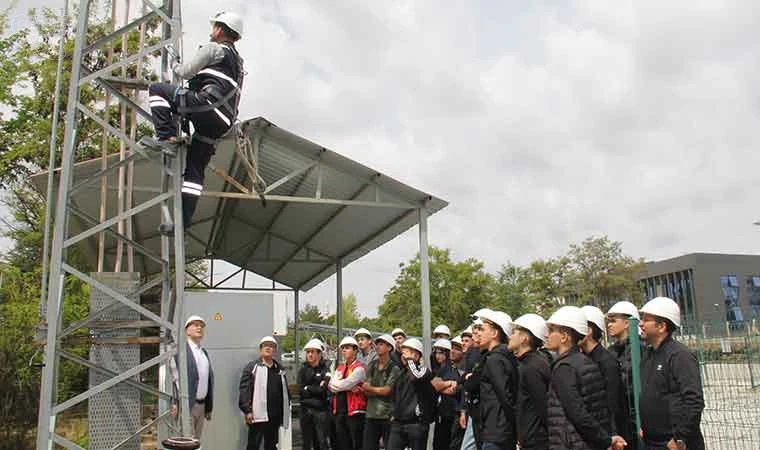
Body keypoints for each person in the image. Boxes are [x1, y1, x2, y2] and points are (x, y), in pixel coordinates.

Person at [145, 11, 245, 234]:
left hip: (207, 107)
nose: (212, 31)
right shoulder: (238, 63)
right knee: (194, 171)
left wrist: (175, 63)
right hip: (221, 122)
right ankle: (183, 220)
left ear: (220, 29)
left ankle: (166, 137)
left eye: (214, 27)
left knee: (158, 91)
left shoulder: (213, 49)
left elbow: (185, 72)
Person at [545, 306, 626, 450]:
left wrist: (605, 440)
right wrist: (606, 438)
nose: (547, 335)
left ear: (564, 337)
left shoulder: (565, 368)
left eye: (551, 331)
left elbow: (578, 413)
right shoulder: (584, 361)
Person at [639, 297, 705, 450]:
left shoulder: (679, 356)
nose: (641, 323)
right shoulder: (648, 356)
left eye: (646, 319)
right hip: (652, 441)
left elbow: (694, 401)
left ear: (661, 326)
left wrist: (680, 438)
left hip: (674, 444)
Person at [468, 310, 518, 450]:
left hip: (497, 431)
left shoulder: (495, 360)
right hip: (500, 429)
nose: (478, 333)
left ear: (495, 334)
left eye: (483, 329)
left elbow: (505, 396)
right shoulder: (503, 356)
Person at [580, 305, 625, 443]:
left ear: (588, 331)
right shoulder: (585, 358)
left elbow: (612, 403)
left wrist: (611, 436)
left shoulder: (606, 361)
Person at [238, 336, 290, 450]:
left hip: (274, 416)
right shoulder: (252, 367)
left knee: (271, 445)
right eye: (265, 345)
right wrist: (247, 410)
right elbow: (244, 390)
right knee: (253, 445)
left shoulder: (279, 370)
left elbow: (285, 393)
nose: (268, 348)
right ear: (260, 349)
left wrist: (284, 412)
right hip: (257, 416)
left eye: (271, 346)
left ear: (275, 350)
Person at [508, 313, 550, 450]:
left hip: (537, 441)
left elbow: (542, 406)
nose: (510, 336)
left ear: (524, 339)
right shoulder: (528, 363)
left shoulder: (532, 367)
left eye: (514, 332)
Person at [387, 338, 436, 450]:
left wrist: (410, 361)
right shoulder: (401, 373)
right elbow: (395, 395)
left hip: (416, 424)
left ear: (416, 355)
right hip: (399, 424)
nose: (403, 355)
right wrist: (393, 413)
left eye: (407, 352)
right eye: (403, 352)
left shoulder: (423, 370)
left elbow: (417, 378)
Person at [606, 300, 642, 448]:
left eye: (613, 321)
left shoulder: (640, 348)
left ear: (627, 323)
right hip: (621, 416)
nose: (609, 325)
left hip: (637, 416)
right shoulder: (611, 351)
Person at [361, 334, 402, 450]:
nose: (377, 346)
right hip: (371, 415)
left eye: (381, 344)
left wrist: (371, 389)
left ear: (389, 348)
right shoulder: (372, 365)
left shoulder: (394, 368)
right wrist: (375, 390)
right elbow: (366, 389)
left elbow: (387, 390)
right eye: (377, 344)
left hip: (387, 416)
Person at [329, 336, 367, 450]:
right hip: (340, 411)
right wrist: (347, 386)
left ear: (355, 350)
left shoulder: (359, 368)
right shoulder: (340, 367)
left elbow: (345, 384)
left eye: (347, 348)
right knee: (343, 444)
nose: (344, 350)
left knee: (356, 444)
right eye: (343, 348)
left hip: (355, 413)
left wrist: (342, 385)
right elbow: (331, 386)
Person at [298, 338, 331, 450]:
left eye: (312, 352)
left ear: (319, 354)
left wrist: (309, 388)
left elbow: (324, 391)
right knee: (306, 443)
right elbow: (301, 391)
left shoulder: (325, 370)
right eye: (308, 352)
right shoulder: (302, 370)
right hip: (305, 410)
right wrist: (316, 388)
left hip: (321, 411)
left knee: (321, 442)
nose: (310, 354)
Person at [184, 315, 214, 438]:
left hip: (202, 406)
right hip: (188, 405)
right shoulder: (182, 351)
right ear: (187, 330)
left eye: (201, 326)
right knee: (187, 441)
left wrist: (208, 407)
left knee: (196, 441)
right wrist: (174, 403)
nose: (199, 328)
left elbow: (208, 379)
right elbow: (174, 378)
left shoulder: (203, 352)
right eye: (195, 325)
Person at [460, 316, 486, 450]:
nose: (476, 332)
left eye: (480, 328)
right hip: (473, 409)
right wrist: (464, 410)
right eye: (474, 329)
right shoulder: (473, 352)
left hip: (486, 412)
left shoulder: (492, 355)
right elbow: (466, 379)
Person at [430, 339, 459, 450]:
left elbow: (454, 389)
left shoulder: (453, 369)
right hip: (440, 413)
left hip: (451, 413)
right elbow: (433, 386)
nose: (438, 356)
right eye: (436, 352)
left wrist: (439, 386)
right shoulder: (437, 369)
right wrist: (448, 383)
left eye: (441, 352)